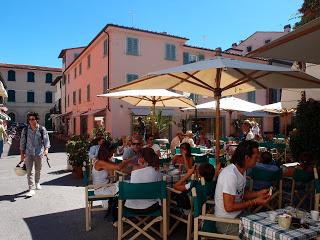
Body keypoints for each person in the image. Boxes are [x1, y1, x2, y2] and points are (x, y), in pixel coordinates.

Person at [214, 140, 271, 235]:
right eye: (256, 157)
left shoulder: (242, 171)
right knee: (261, 234)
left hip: (238, 216)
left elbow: (241, 194)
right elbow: (229, 207)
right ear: (247, 158)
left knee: (266, 225)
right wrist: (255, 201)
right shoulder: (230, 175)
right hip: (226, 223)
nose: (257, 159)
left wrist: (259, 193)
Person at [20, 112, 51, 197]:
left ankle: (37, 182)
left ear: (36, 120)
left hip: (38, 153)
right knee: (30, 171)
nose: (30, 121)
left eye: (32, 119)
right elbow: (22, 142)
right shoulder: (25, 130)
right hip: (28, 153)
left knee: (38, 169)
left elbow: (46, 140)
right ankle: (31, 189)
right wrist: (22, 154)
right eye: (29, 119)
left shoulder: (42, 129)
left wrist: (46, 149)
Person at [93, 142, 130, 208]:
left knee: (125, 184)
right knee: (126, 185)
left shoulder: (104, 160)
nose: (113, 154)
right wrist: (130, 159)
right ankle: (125, 208)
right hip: (101, 190)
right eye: (112, 152)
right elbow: (118, 167)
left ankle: (124, 207)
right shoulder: (100, 162)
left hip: (105, 186)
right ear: (107, 151)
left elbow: (117, 168)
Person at [124, 147, 162, 212]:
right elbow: (159, 189)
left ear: (142, 158)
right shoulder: (157, 171)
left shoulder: (135, 168)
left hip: (131, 207)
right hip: (150, 207)